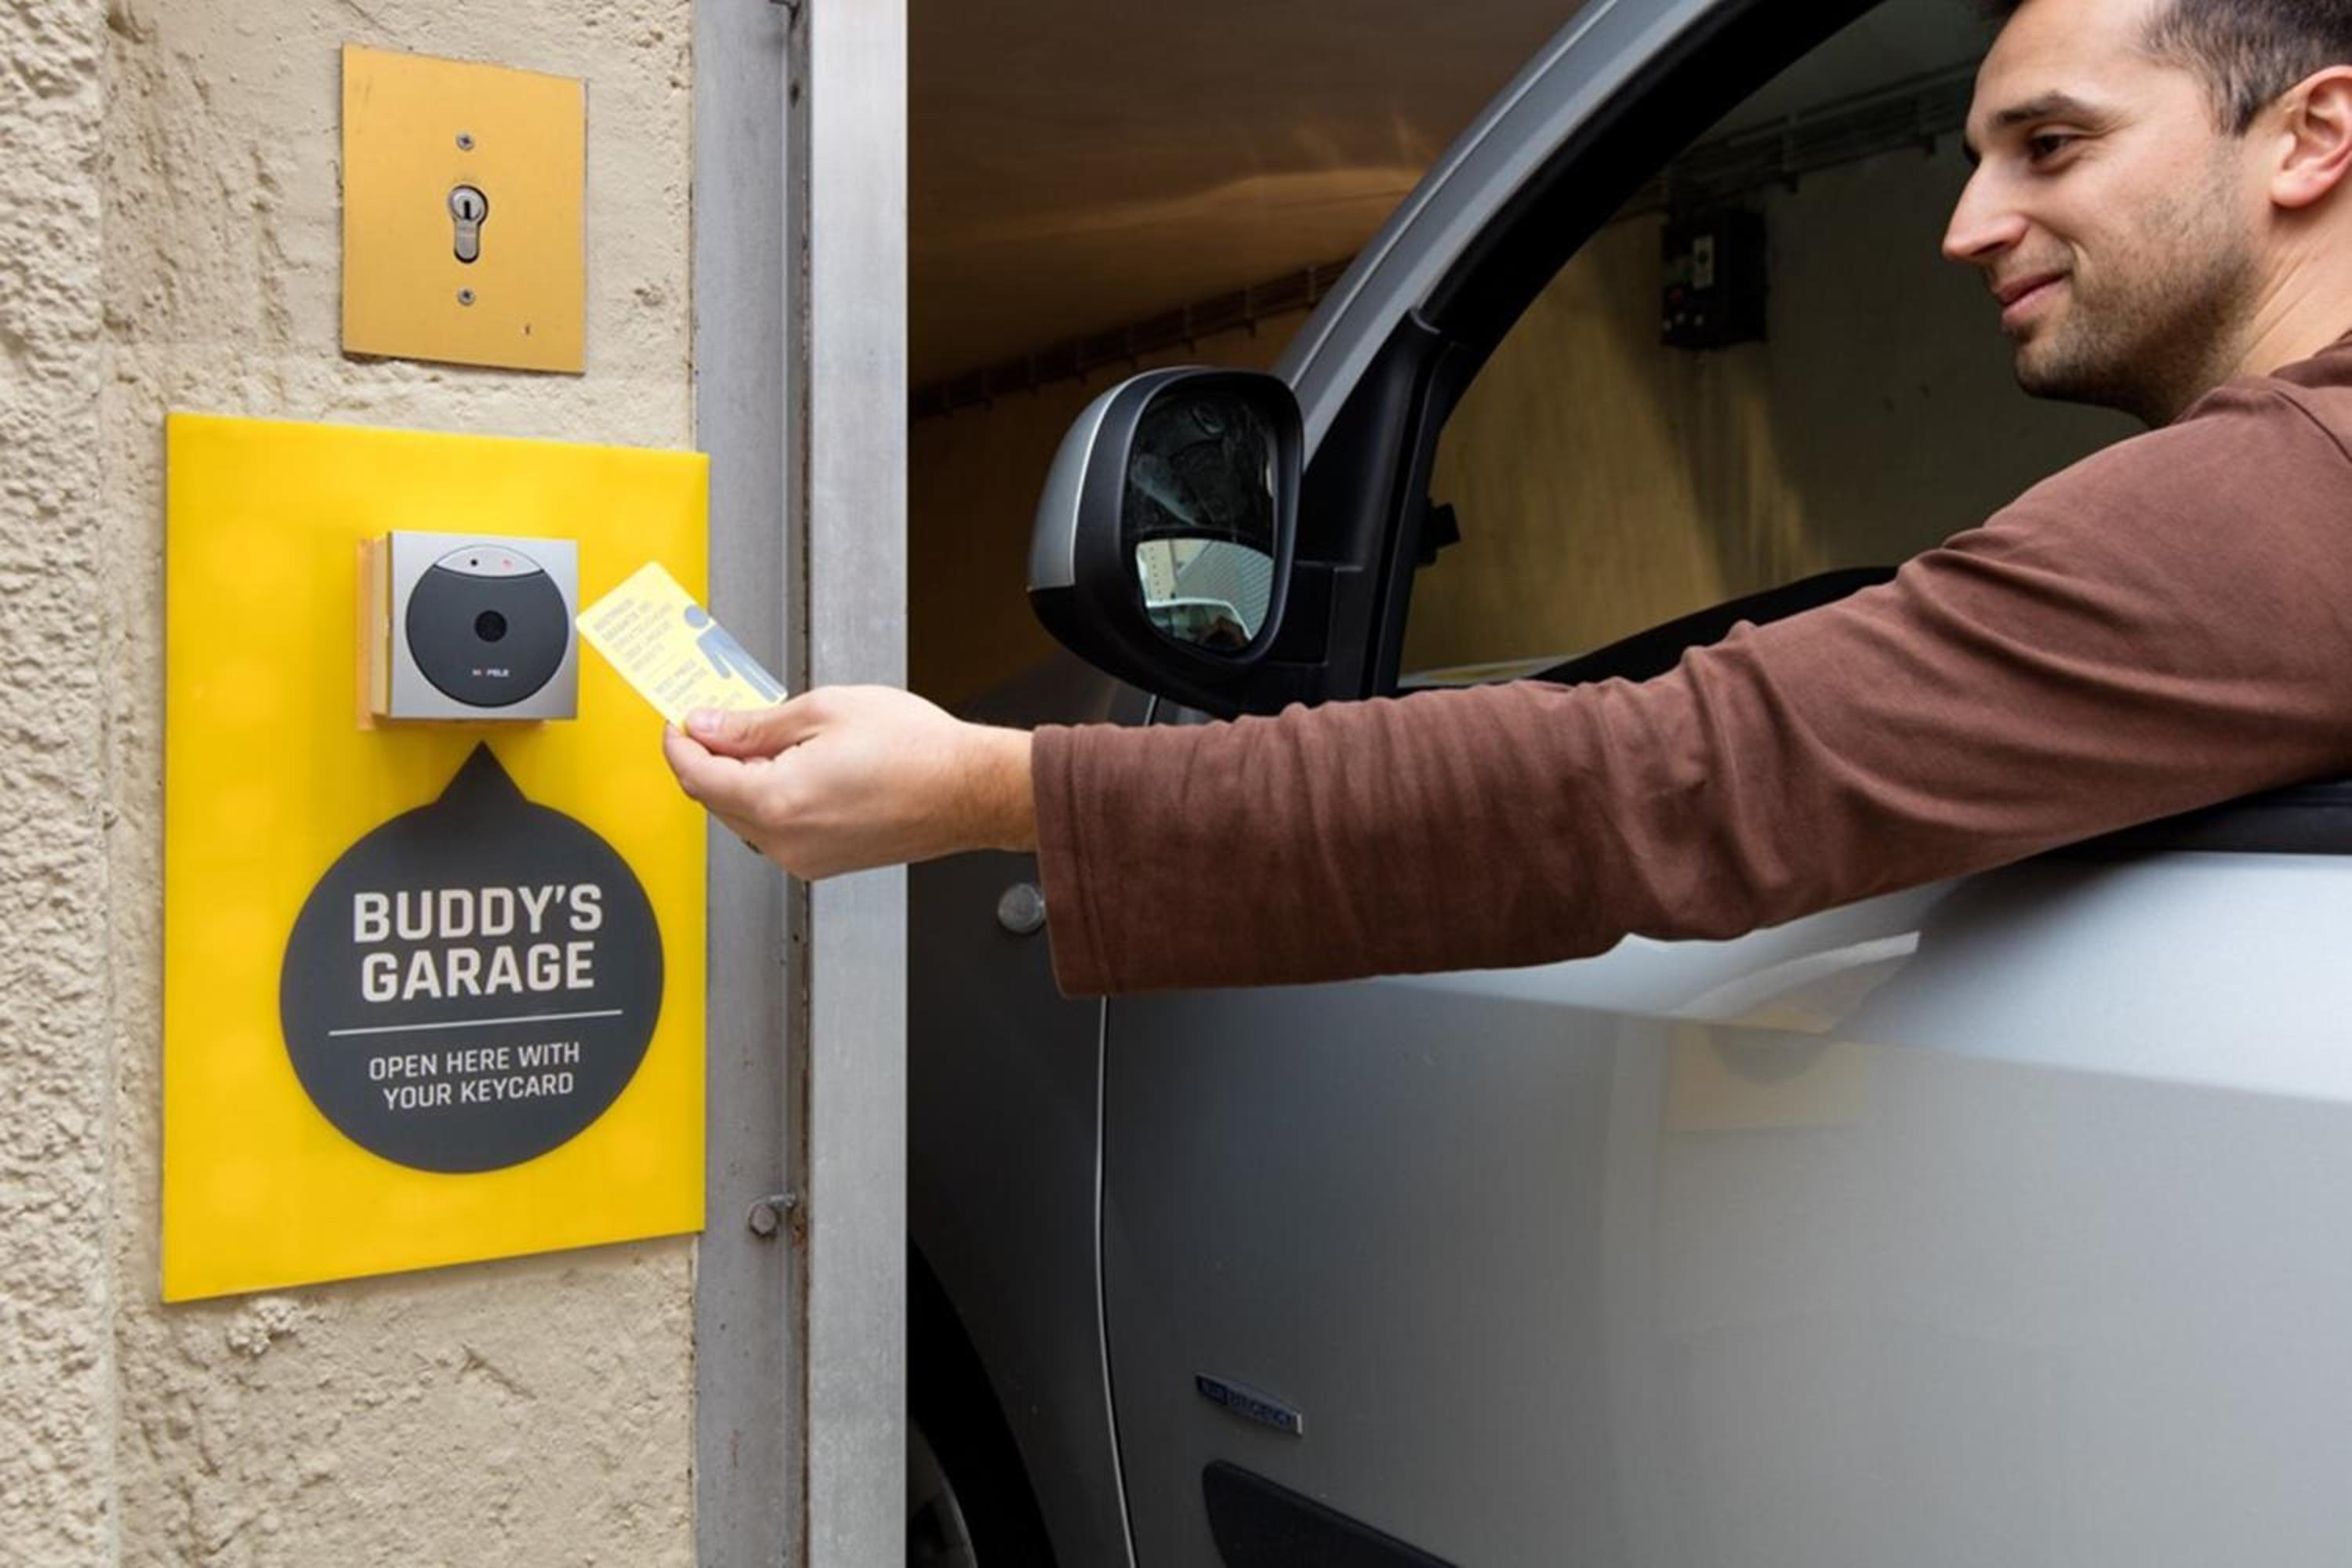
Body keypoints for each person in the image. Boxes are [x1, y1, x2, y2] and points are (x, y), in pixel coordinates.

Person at [666, 0, 2352, 995]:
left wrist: (986, 786)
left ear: (2310, 135)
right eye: (1975, 156)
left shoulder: (2287, 494)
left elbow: (1672, 776)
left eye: (2050, 147)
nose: (1966, 224)